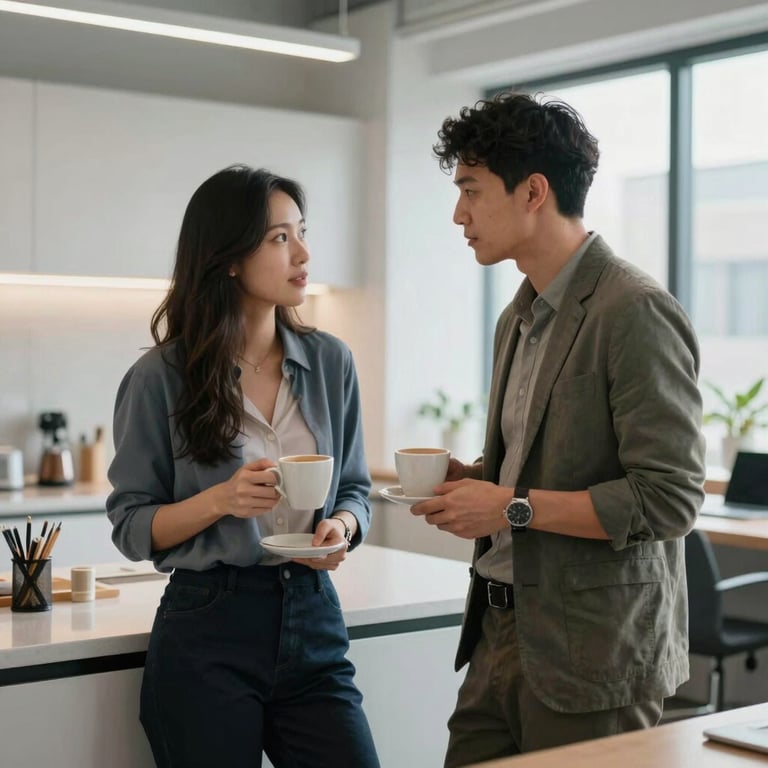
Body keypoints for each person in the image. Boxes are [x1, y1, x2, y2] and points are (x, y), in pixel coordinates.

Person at [411, 92, 706, 766]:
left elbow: (669, 500)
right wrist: (480, 478)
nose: (459, 213)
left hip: (593, 657)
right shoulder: (517, 317)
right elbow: (546, 458)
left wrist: (508, 505)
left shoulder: (633, 310)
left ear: (533, 192)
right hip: (498, 633)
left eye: (471, 190)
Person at [106, 164, 380, 768]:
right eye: (279, 238)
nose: (302, 252)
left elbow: (356, 489)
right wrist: (220, 500)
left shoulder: (331, 361)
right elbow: (130, 526)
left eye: (301, 232)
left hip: (313, 614)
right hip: (209, 624)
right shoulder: (162, 377)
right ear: (229, 258)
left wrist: (344, 528)